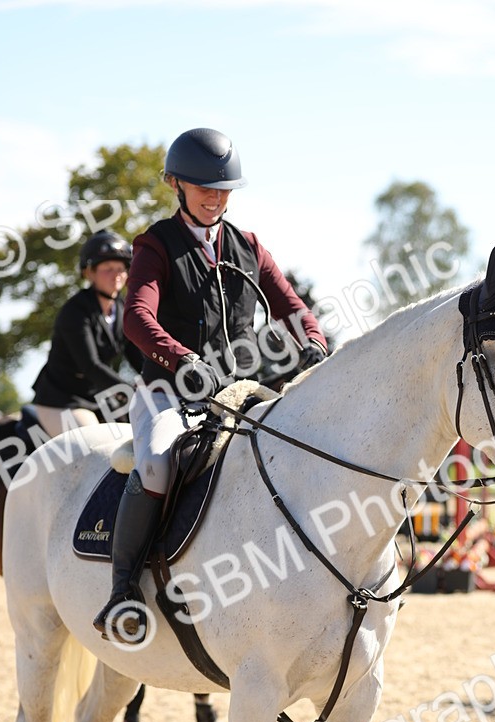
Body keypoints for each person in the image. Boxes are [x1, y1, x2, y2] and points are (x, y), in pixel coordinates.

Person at [93, 127, 328, 643]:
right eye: (203, 187)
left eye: (223, 188)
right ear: (176, 184)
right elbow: (136, 318)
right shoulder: (155, 244)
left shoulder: (248, 246)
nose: (215, 197)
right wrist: (181, 361)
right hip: (168, 393)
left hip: (237, 394)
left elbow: (290, 305)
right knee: (155, 461)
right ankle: (123, 590)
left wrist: (312, 337)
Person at [31, 230, 145, 437]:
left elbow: (136, 355)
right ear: (89, 272)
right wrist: (129, 390)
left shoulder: (122, 308)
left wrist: (158, 380)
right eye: (108, 268)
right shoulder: (75, 311)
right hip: (63, 400)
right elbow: (90, 365)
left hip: (98, 398)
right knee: (92, 440)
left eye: (121, 268)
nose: (116, 274)